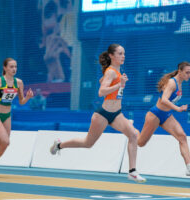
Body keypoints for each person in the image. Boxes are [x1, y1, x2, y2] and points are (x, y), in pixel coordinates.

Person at [50, 44, 146, 183]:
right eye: (120, 53)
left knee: (133, 135)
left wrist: (119, 83)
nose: (123, 56)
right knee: (88, 143)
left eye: (124, 53)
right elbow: (101, 92)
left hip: (117, 114)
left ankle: (132, 171)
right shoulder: (111, 72)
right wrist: (120, 84)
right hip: (103, 114)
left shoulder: (116, 72)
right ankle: (59, 145)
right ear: (112, 56)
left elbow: (105, 83)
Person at [137, 61, 190, 177]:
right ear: (180, 71)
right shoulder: (172, 83)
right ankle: (131, 130)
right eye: (187, 72)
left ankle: (189, 168)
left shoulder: (180, 82)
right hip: (155, 115)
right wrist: (177, 109)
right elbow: (164, 99)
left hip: (167, 116)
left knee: (182, 136)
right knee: (140, 143)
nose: (189, 75)